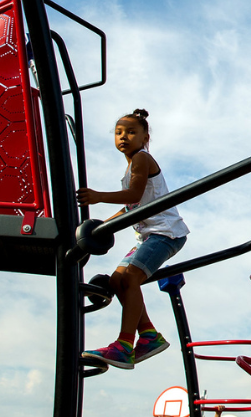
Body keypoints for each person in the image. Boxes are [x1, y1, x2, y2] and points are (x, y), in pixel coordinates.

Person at [77, 108, 189, 369]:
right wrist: (102, 228)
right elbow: (130, 208)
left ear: (144, 138)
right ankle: (149, 335)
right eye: (118, 132)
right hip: (147, 237)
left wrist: (98, 196)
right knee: (117, 281)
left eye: (130, 132)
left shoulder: (141, 159)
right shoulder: (130, 167)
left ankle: (124, 344)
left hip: (165, 233)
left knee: (130, 279)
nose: (123, 137)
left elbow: (133, 195)